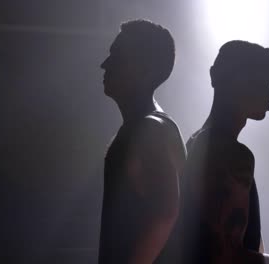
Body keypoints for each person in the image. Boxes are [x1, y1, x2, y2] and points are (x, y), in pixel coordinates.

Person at [176, 40, 269, 264]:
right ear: (239, 82)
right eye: (265, 82)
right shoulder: (230, 153)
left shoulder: (195, 143)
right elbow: (224, 256)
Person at [98, 19, 186, 264]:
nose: (104, 64)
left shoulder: (150, 129)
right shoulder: (151, 127)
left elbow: (165, 212)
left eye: (116, 56)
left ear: (143, 68)